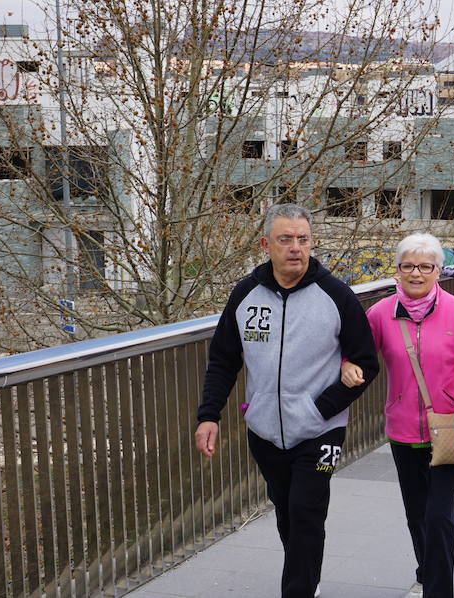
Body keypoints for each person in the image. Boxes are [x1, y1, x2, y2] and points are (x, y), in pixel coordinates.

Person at [195, 203, 380, 598]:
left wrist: (322, 407)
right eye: (285, 239)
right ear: (266, 244)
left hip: (320, 429)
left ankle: (298, 590)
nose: (295, 247)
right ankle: (304, 577)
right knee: (286, 513)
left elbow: (367, 362)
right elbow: (224, 360)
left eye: (303, 239)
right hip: (264, 430)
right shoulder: (245, 294)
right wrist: (209, 415)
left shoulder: (336, 295)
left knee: (306, 512)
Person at [340, 233, 454, 598]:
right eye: (408, 266)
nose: (416, 273)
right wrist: (347, 364)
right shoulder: (380, 313)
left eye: (425, 266)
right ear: (398, 270)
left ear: (438, 270)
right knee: (417, 513)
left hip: (451, 427)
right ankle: (426, 570)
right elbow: (360, 353)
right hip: (402, 428)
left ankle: (438, 589)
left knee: (438, 514)